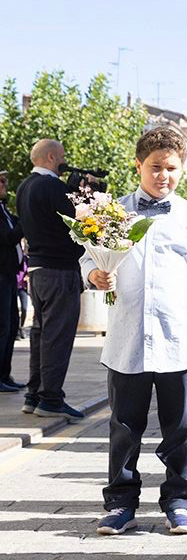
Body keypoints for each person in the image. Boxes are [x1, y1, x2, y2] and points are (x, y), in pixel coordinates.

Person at [86, 127, 187, 535]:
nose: (163, 175)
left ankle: (179, 500)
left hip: (178, 341)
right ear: (138, 166)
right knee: (124, 427)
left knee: (179, 428)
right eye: (155, 167)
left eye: (171, 168)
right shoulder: (112, 213)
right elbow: (88, 259)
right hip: (127, 339)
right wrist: (95, 273)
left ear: (180, 169)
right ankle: (119, 503)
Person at [16, 139, 86, 420]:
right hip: (60, 271)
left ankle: (34, 395)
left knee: (40, 334)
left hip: (37, 270)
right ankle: (51, 399)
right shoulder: (54, 187)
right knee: (57, 336)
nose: (64, 162)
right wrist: (80, 195)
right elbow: (77, 225)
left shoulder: (24, 187)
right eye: (62, 157)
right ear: (51, 156)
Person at [0, 170, 25, 391]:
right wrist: (26, 221)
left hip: (9, 276)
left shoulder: (4, 210)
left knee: (11, 326)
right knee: (2, 327)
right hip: (1, 276)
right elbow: (7, 238)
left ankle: (4, 374)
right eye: (0, 180)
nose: (4, 184)